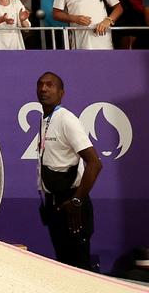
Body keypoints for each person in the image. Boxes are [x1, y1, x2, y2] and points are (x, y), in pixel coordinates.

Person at [36, 72, 103, 270]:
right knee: (64, 268)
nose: (43, 89)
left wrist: (76, 201)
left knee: (78, 270)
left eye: (50, 85)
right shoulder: (45, 119)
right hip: (54, 204)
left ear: (61, 92)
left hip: (72, 204)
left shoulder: (66, 119)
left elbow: (95, 163)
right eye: (40, 85)